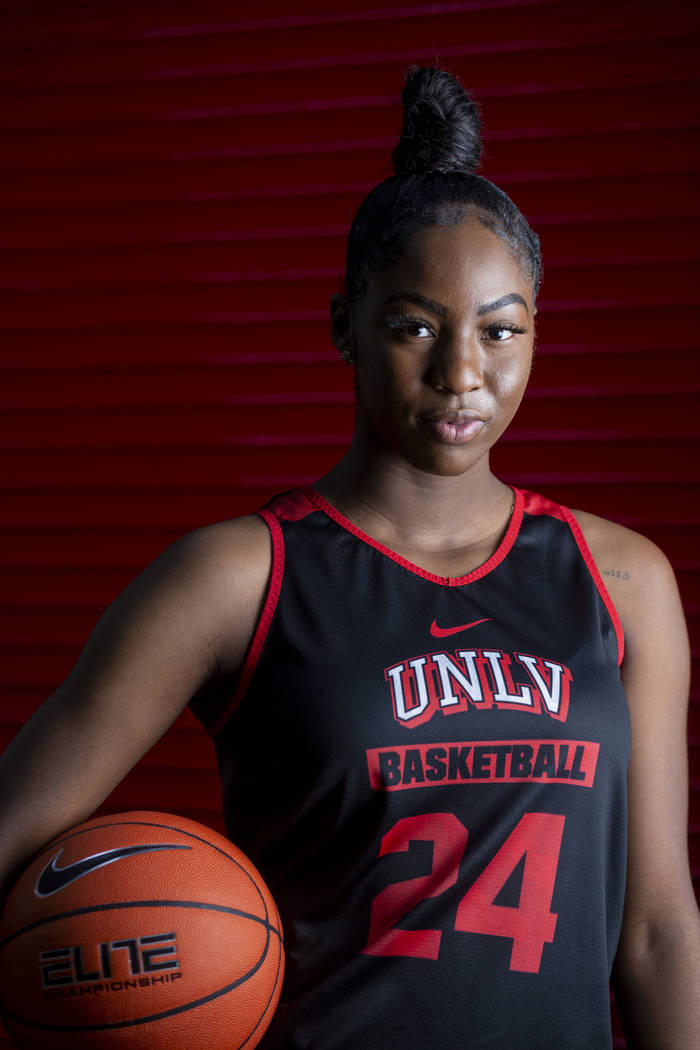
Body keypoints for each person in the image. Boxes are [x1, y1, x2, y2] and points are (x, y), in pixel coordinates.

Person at [0, 66, 698, 1049]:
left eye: (500, 331)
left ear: (535, 337)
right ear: (345, 328)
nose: (463, 372)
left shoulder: (622, 580)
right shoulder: (240, 576)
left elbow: (658, 929)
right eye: (415, 325)